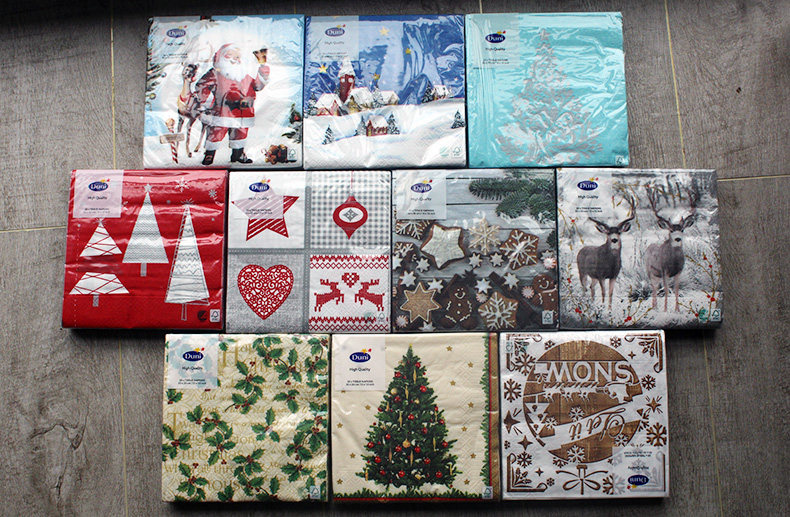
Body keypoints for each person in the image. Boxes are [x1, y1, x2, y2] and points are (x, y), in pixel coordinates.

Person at [196, 44, 269, 165]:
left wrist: (263, 68)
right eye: (230, 55)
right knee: (216, 132)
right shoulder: (215, 73)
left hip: (243, 112)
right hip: (221, 111)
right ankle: (209, 154)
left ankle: (238, 154)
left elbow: (258, 86)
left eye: (238, 56)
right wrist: (207, 102)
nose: (235, 59)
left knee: (240, 133)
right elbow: (201, 86)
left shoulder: (244, 75)